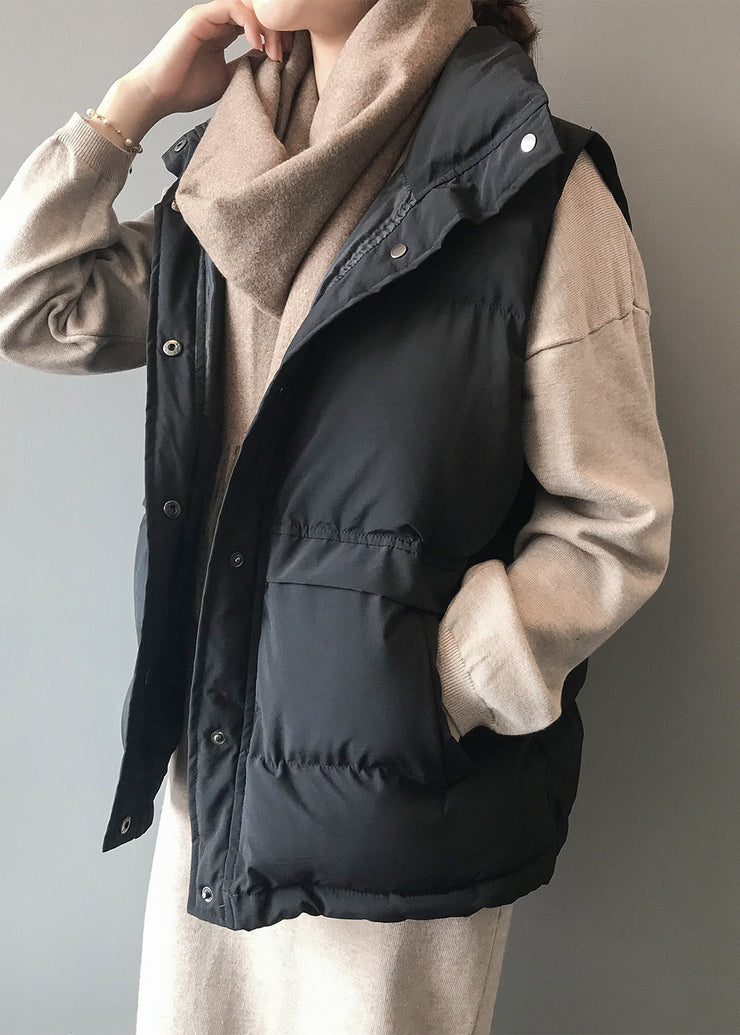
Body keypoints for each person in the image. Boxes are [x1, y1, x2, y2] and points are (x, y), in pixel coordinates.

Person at [0, 1, 674, 1032]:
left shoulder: (530, 180)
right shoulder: (225, 182)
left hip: (393, 806)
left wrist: (425, 689)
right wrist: (132, 105)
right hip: (213, 784)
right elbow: (32, 303)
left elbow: (615, 520)